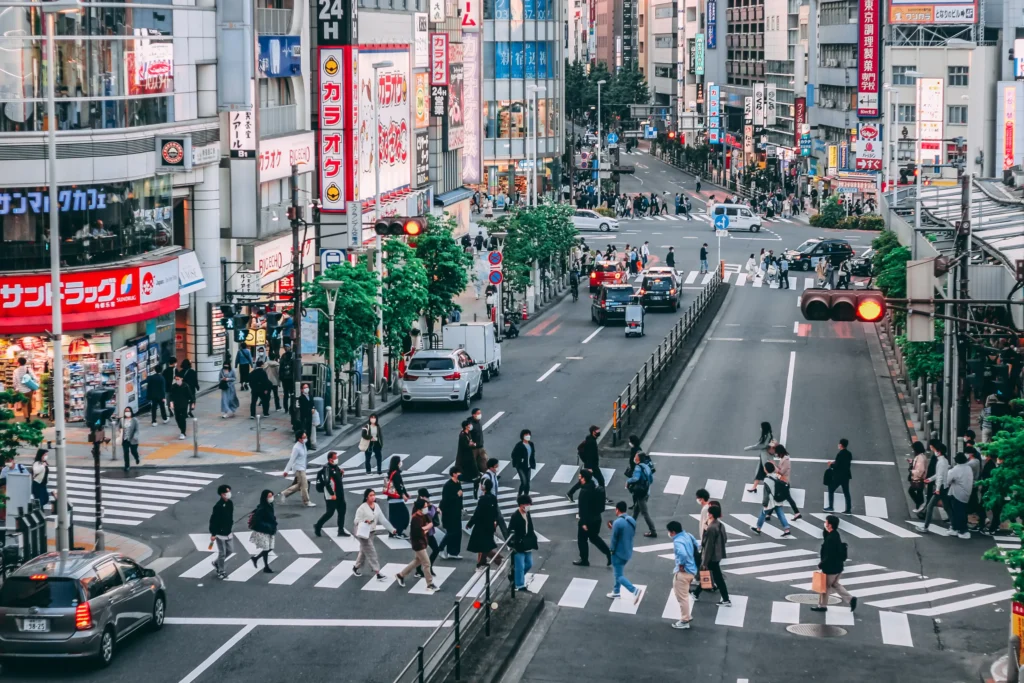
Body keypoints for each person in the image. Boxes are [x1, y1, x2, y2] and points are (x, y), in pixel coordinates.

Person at [810, 514, 857, 613]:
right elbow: (826, 537)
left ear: (830, 525)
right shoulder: (835, 534)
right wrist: (826, 530)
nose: (825, 523)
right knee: (835, 585)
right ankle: (851, 599)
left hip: (831, 568)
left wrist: (821, 564)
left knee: (825, 587)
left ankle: (822, 606)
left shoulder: (831, 539)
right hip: (838, 567)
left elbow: (829, 554)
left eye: (826, 522)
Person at [395, 499, 439, 592]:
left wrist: (425, 528)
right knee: (427, 563)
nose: (427, 508)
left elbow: (431, 523)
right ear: (420, 508)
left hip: (422, 541)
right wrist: (426, 528)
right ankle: (429, 584)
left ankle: (401, 575)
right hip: (418, 544)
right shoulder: (415, 518)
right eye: (425, 507)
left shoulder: (424, 515)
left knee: (417, 561)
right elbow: (419, 531)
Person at [352, 489, 394, 579]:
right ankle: (377, 572)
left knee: (363, 551)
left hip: (371, 532)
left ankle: (356, 567)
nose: (373, 497)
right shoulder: (362, 508)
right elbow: (356, 521)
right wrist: (364, 521)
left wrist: (392, 529)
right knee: (371, 552)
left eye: (374, 495)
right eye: (371, 495)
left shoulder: (377, 506)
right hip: (363, 533)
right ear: (366, 497)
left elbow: (383, 519)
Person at [573, 470, 612, 567]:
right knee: (594, 538)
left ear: (583, 478)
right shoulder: (594, 487)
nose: (579, 478)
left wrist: (583, 523)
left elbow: (583, 508)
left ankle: (584, 559)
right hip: (597, 518)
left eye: (580, 476)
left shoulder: (584, 491)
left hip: (587, 520)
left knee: (582, 539)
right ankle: (608, 553)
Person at [467, 478, 508, 568]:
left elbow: (477, 513)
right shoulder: (493, 498)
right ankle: (482, 562)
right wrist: (495, 522)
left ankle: (498, 559)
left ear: (483, 487)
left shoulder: (483, 499)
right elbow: (495, 512)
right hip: (490, 525)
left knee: (482, 545)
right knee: (485, 544)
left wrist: (470, 523)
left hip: (481, 525)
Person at [607, 501, 643, 604]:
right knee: (619, 572)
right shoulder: (631, 520)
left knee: (618, 576)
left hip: (618, 552)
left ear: (617, 509)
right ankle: (616, 591)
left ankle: (634, 590)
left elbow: (614, 539)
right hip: (628, 551)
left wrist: (611, 550)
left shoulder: (617, 523)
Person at [696, 503, 730, 605]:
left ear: (710, 515)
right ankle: (696, 593)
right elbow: (725, 539)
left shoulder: (711, 528)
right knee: (712, 575)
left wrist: (705, 562)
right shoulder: (720, 525)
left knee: (717, 578)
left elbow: (708, 547)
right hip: (718, 555)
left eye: (708, 513)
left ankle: (726, 599)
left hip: (712, 557)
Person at [666, 520, 698, 629]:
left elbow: (683, 554)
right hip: (692, 569)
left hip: (684, 572)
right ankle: (687, 615)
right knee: (684, 595)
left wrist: (681, 564)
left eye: (670, 532)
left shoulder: (678, 541)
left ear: (673, 532)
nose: (669, 534)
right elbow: (696, 545)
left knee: (682, 597)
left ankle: (685, 620)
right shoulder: (688, 535)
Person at [750, 461, 793, 536]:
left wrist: (765, 503)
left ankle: (758, 529)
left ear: (766, 470)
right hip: (778, 499)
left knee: (763, 514)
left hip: (770, 501)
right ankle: (786, 529)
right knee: (780, 514)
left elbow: (766, 493)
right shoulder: (776, 476)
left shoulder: (766, 480)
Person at [567, 425, 606, 502]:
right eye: (597, 431)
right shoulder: (591, 442)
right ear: (593, 432)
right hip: (592, 466)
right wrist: (590, 468)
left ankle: (570, 493)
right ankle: (602, 497)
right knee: (601, 480)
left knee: (583, 481)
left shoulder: (590, 439)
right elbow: (590, 455)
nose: (599, 432)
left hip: (590, 465)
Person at [314, 451, 348, 537]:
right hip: (332, 495)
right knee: (330, 513)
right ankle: (318, 525)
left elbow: (337, 479)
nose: (337, 459)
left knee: (342, 511)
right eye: (335, 458)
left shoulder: (336, 467)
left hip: (340, 494)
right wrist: (332, 494)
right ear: (330, 460)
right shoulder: (327, 469)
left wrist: (341, 474)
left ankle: (341, 530)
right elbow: (327, 482)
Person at [508, 494, 538, 591]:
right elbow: (510, 531)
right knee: (520, 566)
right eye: (528, 504)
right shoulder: (515, 516)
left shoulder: (527, 513)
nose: (529, 506)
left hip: (527, 544)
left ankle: (515, 577)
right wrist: (512, 543)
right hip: (518, 545)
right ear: (521, 505)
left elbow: (530, 527)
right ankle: (520, 585)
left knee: (529, 563)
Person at [626, 447, 657, 537]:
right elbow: (650, 479)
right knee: (636, 510)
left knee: (644, 513)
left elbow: (635, 478)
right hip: (646, 491)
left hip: (640, 493)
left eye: (635, 457)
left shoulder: (638, 468)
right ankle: (629, 527)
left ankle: (653, 531)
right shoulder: (647, 466)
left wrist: (628, 481)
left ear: (638, 459)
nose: (634, 458)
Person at [280, 431, 315, 507]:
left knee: (299, 485)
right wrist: (286, 471)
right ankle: (307, 501)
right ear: (299, 439)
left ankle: (284, 493)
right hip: (298, 469)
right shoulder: (296, 447)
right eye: (304, 437)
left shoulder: (303, 444)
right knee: (304, 485)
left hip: (302, 467)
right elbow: (292, 459)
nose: (306, 438)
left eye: (306, 437)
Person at [248, 490, 278, 574]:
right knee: (266, 548)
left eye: (272, 496)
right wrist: (267, 525)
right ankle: (266, 567)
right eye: (269, 496)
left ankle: (256, 558)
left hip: (270, 529)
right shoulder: (262, 508)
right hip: (263, 530)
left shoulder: (269, 505)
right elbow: (257, 520)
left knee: (270, 548)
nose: (271, 498)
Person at [946, 453, 974, 539]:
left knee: (957, 513)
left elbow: (948, 481)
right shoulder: (968, 468)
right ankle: (957, 528)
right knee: (962, 512)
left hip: (957, 494)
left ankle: (962, 530)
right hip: (967, 493)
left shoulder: (955, 469)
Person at [209, 484, 234, 579]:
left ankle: (216, 563)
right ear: (222, 494)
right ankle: (221, 570)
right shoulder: (218, 506)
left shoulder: (230, 503)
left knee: (230, 550)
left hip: (228, 531)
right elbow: (213, 520)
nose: (228, 494)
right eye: (226, 492)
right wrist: (213, 533)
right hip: (219, 533)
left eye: (229, 491)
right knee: (222, 552)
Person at [440, 466, 465, 560]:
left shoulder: (458, 483)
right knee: (451, 532)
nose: (460, 475)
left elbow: (460, 499)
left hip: (457, 513)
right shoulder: (448, 485)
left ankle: (453, 552)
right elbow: (446, 500)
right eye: (459, 473)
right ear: (454, 474)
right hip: (449, 513)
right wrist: (456, 495)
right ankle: (441, 548)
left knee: (458, 533)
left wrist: (462, 508)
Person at [415, 489, 443, 572]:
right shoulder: (420, 506)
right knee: (423, 553)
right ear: (421, 497)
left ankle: (426, 568)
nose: (428, 498)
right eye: (426, 497)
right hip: (423, 532)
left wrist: (435, 507)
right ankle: (420, 570)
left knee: (435, 550)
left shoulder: (427, 504)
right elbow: (429, 514)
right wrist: (435, 510)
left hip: (428, 532)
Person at [772, 444, 801, 519]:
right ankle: (797, 513)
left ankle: (768, 514)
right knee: (784, 498)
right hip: (782, 481)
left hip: (783, 482)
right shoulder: (783, 459)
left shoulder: (786, 460)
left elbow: (781, 472)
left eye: (777, 453)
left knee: (775, 497)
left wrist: (774, 467)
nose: (776, 455)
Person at [824, 438, 853, 514]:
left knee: (831, 489)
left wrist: (831, 464)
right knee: (846, 492)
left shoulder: (840, 454)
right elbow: (844, 463)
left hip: (838, 476)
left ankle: (831, 507)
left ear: (841, 445)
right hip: (846, 475)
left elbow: (837, 466)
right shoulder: (849, 454)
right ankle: (848, 509)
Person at [384, 455, 410, 538]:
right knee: (405, 515)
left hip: (392, 498)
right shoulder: (396, 474)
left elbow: (400, 485)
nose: (401, 463)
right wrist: (403, 495)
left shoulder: (392, 472)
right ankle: (398, 532)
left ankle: (393, 532)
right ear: (397, 463)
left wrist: (405, 493)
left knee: (394, 517)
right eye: (400, 461)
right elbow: (399, 486)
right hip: (396, 498)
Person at [744, 421, 774, 492]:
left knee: (766, 472)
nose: (760, 428)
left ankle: (773, 486)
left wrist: (749, 448)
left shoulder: (767, 436)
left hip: (765, 456)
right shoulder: (767, 435)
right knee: (759, 472)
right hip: (764, 456)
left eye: (761, 427)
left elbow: (761, 446)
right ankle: (754, 487)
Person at [457, 419, 481, 498]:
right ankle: (476, 480)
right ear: (466, 426)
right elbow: (465, 446)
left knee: (472, 470)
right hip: (466, 456)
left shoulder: (467, 433)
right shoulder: (462, 435)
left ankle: (475, 477)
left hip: (469, 454)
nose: (470, 426)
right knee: (474, 470)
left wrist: (472, 443)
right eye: (469, 425)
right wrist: (471, 445)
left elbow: (470, 440)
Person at [168, 374, 194, 440]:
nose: (177, 381)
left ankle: (183, 432)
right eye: (176, 379)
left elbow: (190, 395)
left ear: (181, 379)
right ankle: (181, 428)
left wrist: (192, 403)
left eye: (178, 379)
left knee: (183, 418)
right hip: (176, 405)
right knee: (177, 418)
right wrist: (171, 402)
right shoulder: (174, 386)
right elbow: (171, 395)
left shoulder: (185, 386)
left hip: (184, 405)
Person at [511, 429, 536, 496]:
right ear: (522, 436)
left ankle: (526, 496)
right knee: (524, 482)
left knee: (527, 482)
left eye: (528, 434)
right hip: (520, 466)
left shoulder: (531, 444)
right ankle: (519, 495)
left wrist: (532, 463)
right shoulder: (519, 445)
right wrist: (520, 460)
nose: (528, 436)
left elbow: (532, 454)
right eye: (526, 435)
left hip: (528, 466)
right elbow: (513, 455)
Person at [12, 357, 36, 422]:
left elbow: (14, 382)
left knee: (24, 404)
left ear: (19, 362)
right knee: (29, 403)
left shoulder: (15, 371)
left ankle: (27, 417)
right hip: (29, 389)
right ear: (25, 362)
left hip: (21, 390)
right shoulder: (28, 369)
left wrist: (16, 389)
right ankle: (29, 415)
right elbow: (34, 378)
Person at [907, 441, 928, 512]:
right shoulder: (921, 456)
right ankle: (920, 509)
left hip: (918, 479)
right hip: (920, 479)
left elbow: (920, 470)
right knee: (919, 494)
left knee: (911, 491)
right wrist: (912, 462)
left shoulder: (920, 458)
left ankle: (920, 506)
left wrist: (912, 471)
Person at [120, 407, 140, 472]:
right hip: (125, 439)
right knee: (126, 452)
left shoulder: (135, 420)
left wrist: (135, 436)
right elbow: (119, 427)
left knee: (133, 451)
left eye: (128, 411)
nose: (127, 413)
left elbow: (137, 430)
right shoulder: (122, 420)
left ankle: (136, 458)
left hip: (133, 439)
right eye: (126, 411)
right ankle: (127, 466)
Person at [280, 345, 296, 414]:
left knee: (286, 394)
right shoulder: (293, 356)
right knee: (292, 393)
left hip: (285, 379)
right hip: (291, 379)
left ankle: (286, 408)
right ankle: (291, 407)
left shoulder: (283, 356)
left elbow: (281, 367)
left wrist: (281, 377)